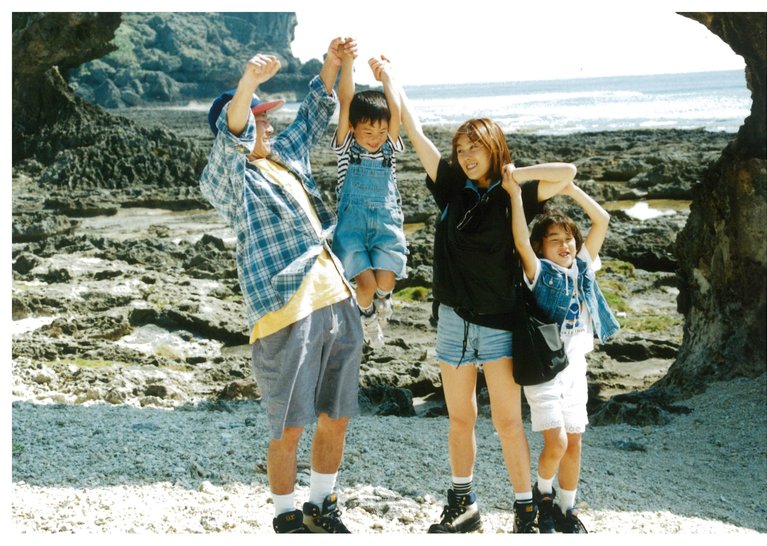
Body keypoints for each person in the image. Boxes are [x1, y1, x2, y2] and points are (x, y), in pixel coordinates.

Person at [199, 37, 362, 534]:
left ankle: (320, 505)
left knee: (337, 415)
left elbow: (314, 112)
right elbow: (233, 135)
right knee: (290, 425)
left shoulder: (283, 158)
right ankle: (286, 517)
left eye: (266, 117)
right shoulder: (228, 178)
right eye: (257, 118)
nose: (265, 124)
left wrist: (333, 64)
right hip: (283, 308)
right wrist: (247, 84)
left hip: (336, 292)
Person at [399, 78, 577, 533]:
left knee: (506, 422)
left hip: (499, 323)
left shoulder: (512, 195)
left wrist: (516, 177)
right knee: (460, 418)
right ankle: (463, 505)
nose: (466, 156)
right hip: (454, 320)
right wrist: (387, 79)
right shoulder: (451, 189)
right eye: (461, 149)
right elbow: (415, 132)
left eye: (475, 147)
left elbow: (568, 173)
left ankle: (525, 511)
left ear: (494, 148)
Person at [503, 174, 620, 533]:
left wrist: (571, 190)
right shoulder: (539, 271)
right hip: (543, 370)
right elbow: (521, 240)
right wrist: (514, 195)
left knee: (574, 444)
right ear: (542, 248)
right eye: (555, 241)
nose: (566, 246)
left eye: (569, 239)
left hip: (575, 370)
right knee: (557, 442)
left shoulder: (583, 267)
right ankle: (543, 497)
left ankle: (566, 512)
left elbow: (602, 220)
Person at [331, 54, 406, 348]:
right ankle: (366, 316)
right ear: (352, 128)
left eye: (381, 131)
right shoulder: (346, 149)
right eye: (368, 132)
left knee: (385, 283)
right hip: (352, 230)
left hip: (385, 226)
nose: (376, 138)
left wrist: (386, 76)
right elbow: (346, 100)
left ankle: (383, 299)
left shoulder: (389, 148)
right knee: (366, 286)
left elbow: (396, 112)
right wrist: (347, 64)